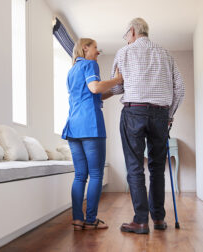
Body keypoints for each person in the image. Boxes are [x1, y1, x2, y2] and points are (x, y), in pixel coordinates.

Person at [109, 18, 185, 234]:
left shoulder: (124, 53)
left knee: (134, 167)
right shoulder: (166, 54)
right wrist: (168, 116)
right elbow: (179, 89)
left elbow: (116, 87)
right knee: (157, 168)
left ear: (132, 31)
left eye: (126, 35)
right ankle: (159, 219)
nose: (126, 40)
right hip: (160, 114)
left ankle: (141, 221)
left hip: (134, 112)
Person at [62, 38, 123, 231]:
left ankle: (78, 219)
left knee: (80, 175)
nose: (98, 52)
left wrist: (113, 90)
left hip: (73, 126)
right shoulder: (90, 64)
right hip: (90, 125)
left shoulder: (72, 71)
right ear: (85, 48)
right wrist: (117, 80)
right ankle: (90, 220)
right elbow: (95, 88)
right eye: (96, 48)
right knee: (96, 174)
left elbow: (93, 93)